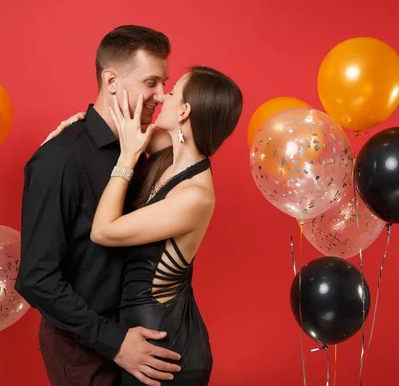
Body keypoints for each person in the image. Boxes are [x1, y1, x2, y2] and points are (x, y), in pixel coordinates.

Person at [48, 67, 243, 385]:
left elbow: (103, 231)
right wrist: (74, 127)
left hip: (166, 351)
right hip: (145, 338)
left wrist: (126, 159)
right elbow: (114, 130)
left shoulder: (194, 195)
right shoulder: (170, 152)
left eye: (172, 91)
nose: (161, 95)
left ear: (183, 111)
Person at [15, 25, 182, 386]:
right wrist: (115, 342)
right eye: (151, 83)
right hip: (86, 348)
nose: (162, 95)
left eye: (164, 83)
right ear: (111, 81)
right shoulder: (60, 158)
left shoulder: (141, 147)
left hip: (139, 335)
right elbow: (36, 278)